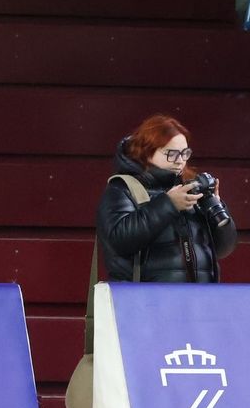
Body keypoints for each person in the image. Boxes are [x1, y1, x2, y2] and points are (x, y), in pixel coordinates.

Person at [96, 114, 237, 283]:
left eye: (185, 153)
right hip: (144, 301)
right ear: (146, 152)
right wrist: (169, 205)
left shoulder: (190, 188)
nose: (180, 161)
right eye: (171, 153)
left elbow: (223, 249)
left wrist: (217, 211)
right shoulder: (124, 188)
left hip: (199, 300)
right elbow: (119, 241)